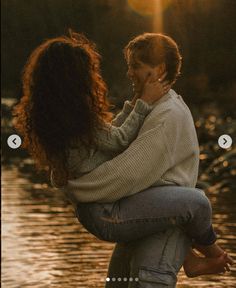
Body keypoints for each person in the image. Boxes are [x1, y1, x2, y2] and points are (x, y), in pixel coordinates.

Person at [13, 31, 233, 288]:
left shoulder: (166, 114)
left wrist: (78, 188)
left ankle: (195, 256)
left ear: (159, 69)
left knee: (193, 205)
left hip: (132, 214)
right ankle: (208, 251)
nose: (128, 73)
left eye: (135, 66)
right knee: (196, 203)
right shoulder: (143, 109)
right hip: (122, 212)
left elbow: (124, 165)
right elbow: (122, 159)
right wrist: (80, 189)